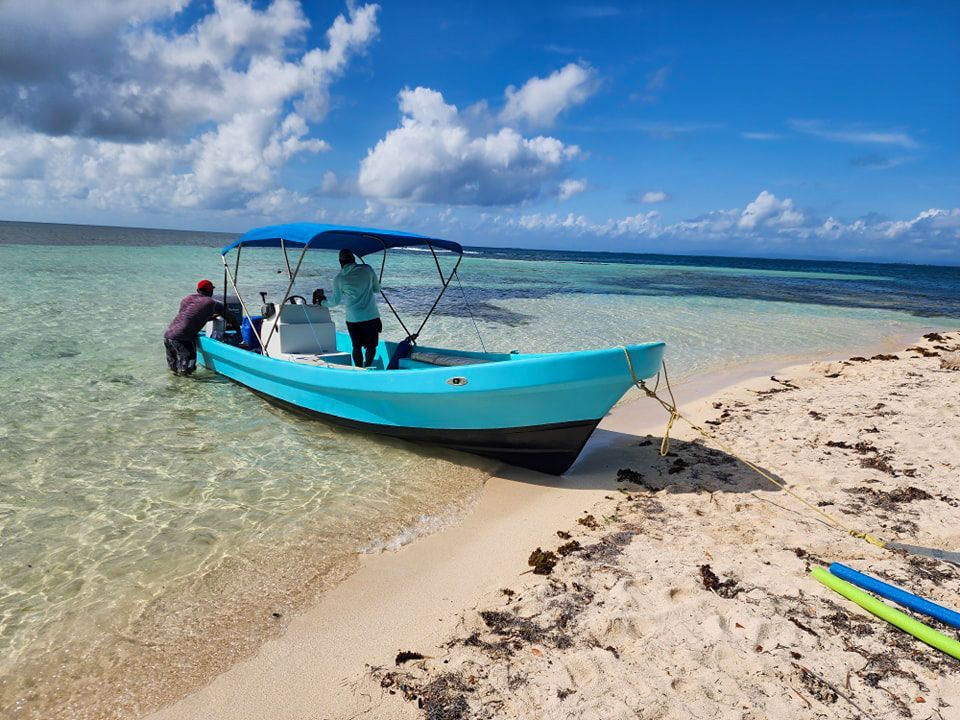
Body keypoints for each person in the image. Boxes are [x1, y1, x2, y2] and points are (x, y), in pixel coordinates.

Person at [164, 279, 237, 375]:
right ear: (211, 291)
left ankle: (175, 387)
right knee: (188, 369)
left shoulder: (187, 299)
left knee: (173, 369)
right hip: (183, 338)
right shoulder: (212, 303)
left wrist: (210, 318)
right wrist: (238, 329)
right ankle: (186, 388)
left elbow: (189, 316)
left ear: (197, 290)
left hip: (168, 335)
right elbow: (230, 317)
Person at [328, 248, 382, 367]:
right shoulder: (367, 269)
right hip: (371, 316)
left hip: (353, 319)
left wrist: (322, 302)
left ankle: (358, 369)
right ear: (354, 259)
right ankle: (367, 366)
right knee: (371, 346)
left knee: (356, 346)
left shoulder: (339, 278)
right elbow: (377, 289)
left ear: (340, 262)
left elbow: (334, 302)